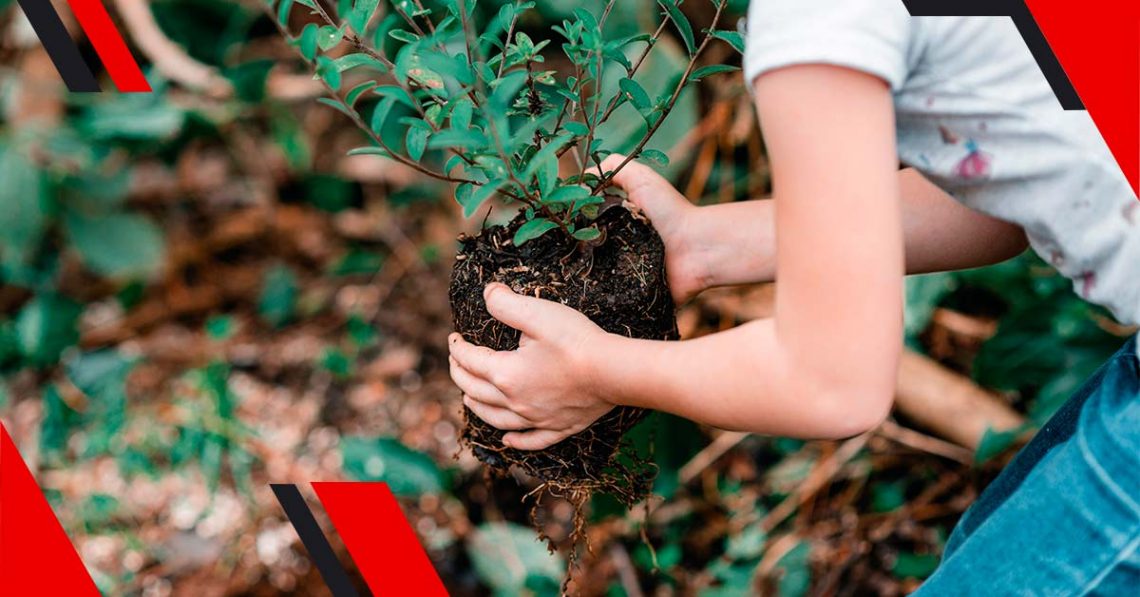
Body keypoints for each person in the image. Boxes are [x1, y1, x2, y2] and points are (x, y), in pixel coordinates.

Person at [448, 1, 1139, 592]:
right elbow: (1008, 185)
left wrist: (594, 369)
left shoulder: (817, 18)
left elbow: (834, 383)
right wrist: (708, 244)